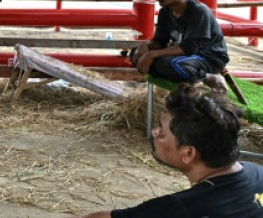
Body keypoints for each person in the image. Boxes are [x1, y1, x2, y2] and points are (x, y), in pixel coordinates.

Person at [80, 83, 263, 217]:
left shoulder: (181, 209)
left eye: (162, 131)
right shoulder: (259, 173)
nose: (154, 132)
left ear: (188, 153)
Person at [130, 0, 229, 91]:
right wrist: (146, 46)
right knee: (135, 54)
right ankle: (182, 75)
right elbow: (160, 41)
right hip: (187, 56)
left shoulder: (199, 12)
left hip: (208, 57)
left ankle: (208, 77)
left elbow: (189, 48)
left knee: (165, 63)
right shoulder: (165, 12)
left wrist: (152, 54)